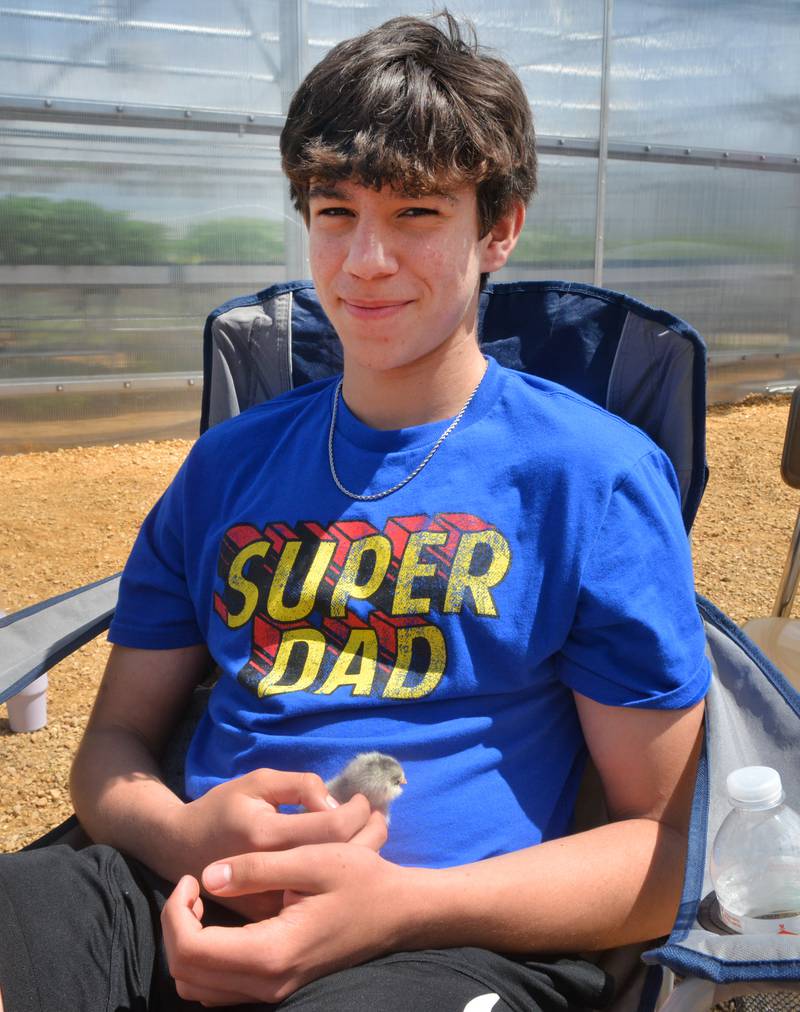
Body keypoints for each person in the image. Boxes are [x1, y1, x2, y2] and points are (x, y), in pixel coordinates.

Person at [0, 12, 709, 1012]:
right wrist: (184, 835)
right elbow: (111, 748)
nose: (363, 259)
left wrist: (397, 906)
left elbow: (668, 849)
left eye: (416, 212)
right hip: (168, 896)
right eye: (334, 211)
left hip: (447, 939)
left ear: (496, 228)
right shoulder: (226, 467)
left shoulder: (586, 479)